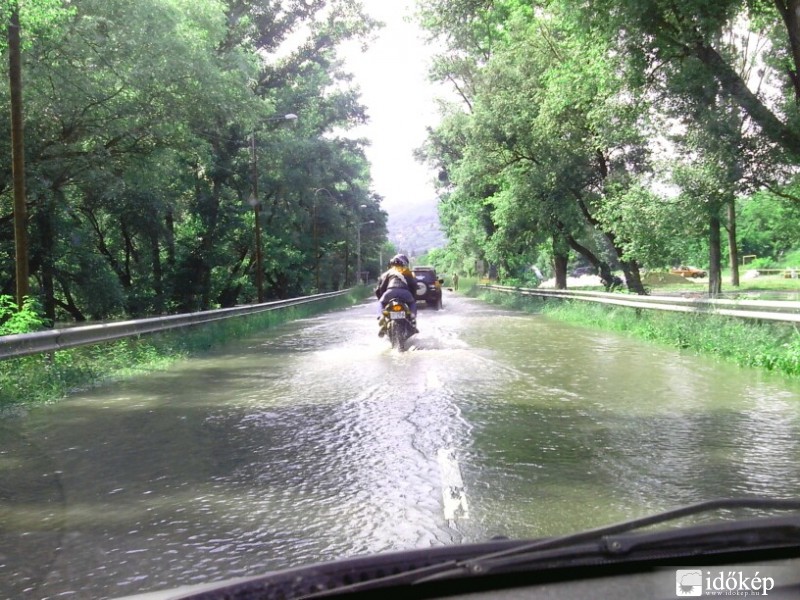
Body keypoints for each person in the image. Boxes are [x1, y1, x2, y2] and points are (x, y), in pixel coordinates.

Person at [375, 254, 418, 335]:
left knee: (380, 302)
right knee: (412, 303)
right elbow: (414, 286)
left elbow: (380, 288)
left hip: (390, 292)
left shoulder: (388, 273)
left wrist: (382, 298)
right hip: (405, 293)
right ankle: (412, 316)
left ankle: (381, 316)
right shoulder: (407, 272)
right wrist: (412, 297)